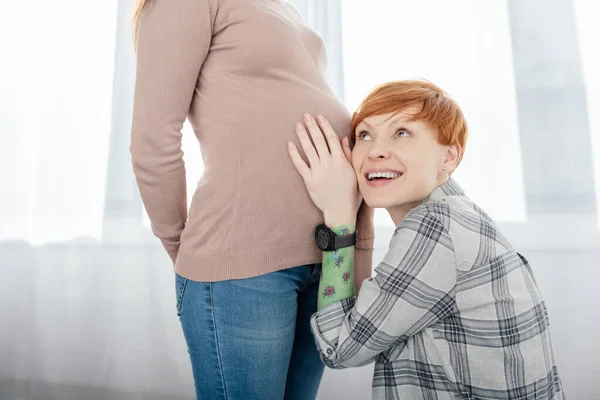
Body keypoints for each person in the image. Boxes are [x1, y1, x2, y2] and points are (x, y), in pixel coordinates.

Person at [129, 0, 374, 399]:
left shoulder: (283, 6)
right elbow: (152, 143)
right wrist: (183, 248)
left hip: (325, 255)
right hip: (243, 270)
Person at [288, 80, 565, 399]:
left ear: (449, 157)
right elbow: (365, 317)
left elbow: (340, 348)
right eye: (364, 135)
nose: (375, 150)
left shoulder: (435, 226)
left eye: (402, 132)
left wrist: (338, 221)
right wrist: (354, 219)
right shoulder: (457, 212)